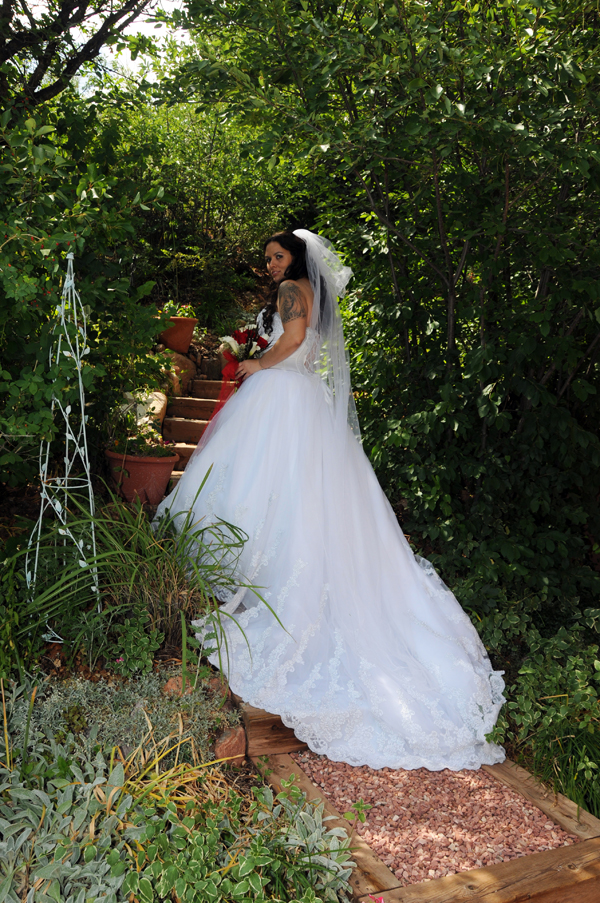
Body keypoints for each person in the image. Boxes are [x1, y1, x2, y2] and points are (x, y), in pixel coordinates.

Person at [155, 229, 505, 771]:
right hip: (301, 401)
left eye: (277, 256)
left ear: (295, 258)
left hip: (281, 398)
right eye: (267, 258)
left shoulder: (293, 291)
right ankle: (268, 576)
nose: (271, 265)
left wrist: (255, 364)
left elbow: (292, 343)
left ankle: (259, 581)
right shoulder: (306, 291)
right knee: (296, 497)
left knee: (265, 489)